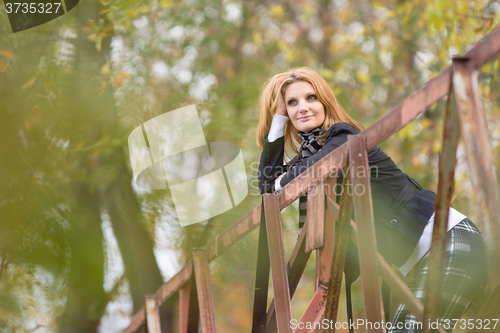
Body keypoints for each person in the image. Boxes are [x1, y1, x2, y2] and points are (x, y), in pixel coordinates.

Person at [256, 67, 487, 332]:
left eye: (311, 98)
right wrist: (277, 122)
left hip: (448, 241)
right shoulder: (309, 158)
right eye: (292, 103)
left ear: (324, 102)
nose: (303, 108)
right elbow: (268, 191)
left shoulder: (342, 136)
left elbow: (297, 177)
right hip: (417, 263)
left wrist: (280, 181)